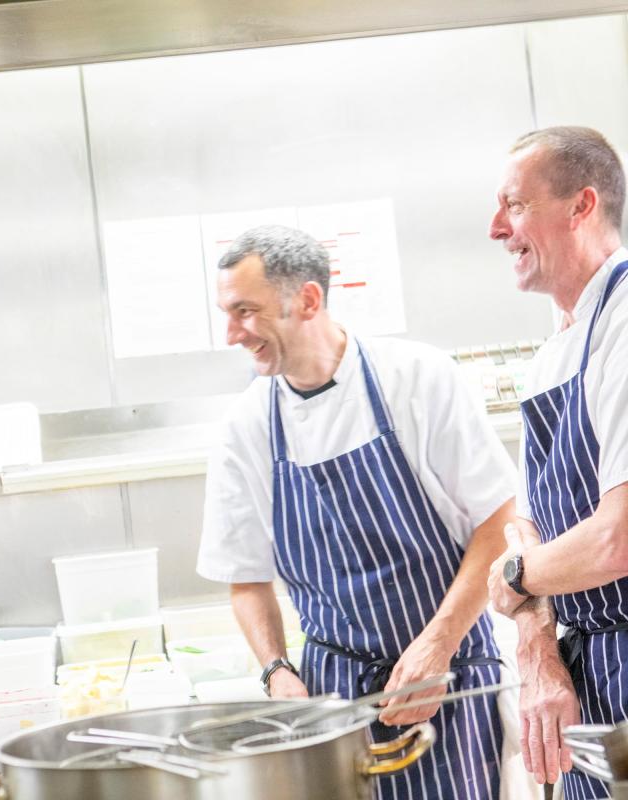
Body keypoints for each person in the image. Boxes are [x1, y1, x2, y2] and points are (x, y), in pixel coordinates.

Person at [197, 224, 517, 799]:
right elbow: (246, 580)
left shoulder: (418, 379)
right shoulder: (244, 428)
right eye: (226, 313)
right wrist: (277, 673)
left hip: (449, 680)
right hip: (334, 704)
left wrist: (436, 645)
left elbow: (498, 526)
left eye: (245, 311)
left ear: (309, 300)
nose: (231, 333)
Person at [487, 125, 628, 799]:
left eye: (514, 205)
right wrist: (537, 646)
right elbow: (528, 528)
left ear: (581, 206)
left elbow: (617, 538)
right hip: (584, 681)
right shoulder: (552, 355)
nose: (495, 229)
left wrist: (514, 578)